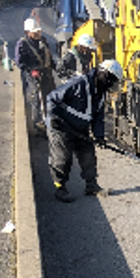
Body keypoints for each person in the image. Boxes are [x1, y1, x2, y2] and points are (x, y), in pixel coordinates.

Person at [45, 59, 123, 203]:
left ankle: (91, 185)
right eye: (112, 81)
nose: (112, 85)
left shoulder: (100, 93)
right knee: (63, 158)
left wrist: (99, 137)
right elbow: (52, 98)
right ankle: (60, 188)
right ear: (104, 75)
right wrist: (53, 118)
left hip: (80, 128)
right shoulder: (79, 83)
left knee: (88, 155)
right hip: (61, 125)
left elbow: (98, 117)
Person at [15, 16, 56, 133]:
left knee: (49, 97)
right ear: (28, 32)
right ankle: (38, 126)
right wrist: (31, 70)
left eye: (38, 31)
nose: (38, 34)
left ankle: (49, 122)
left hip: (46, 73)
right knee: (36, 99)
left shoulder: (43, 41)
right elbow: (20, 62)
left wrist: (55, 67)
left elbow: (49, 56)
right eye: (35, 32)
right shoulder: (22, 44)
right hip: (32, 76)